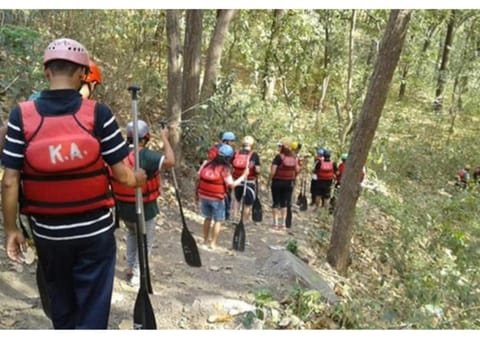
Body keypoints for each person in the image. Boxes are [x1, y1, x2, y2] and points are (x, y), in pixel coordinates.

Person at [1, 38, 147, 329]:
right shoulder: (99, 114)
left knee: (61, 302)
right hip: (95, 232)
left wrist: (11, 229)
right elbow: (124, 175)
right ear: (83, 74)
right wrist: (138, 178)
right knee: (92, 305)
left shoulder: (21, 116)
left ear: (46, 72)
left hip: (49, 234)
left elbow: (9, 181)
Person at [111, 119, 175, 287]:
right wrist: (165, 139)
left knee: (132, 235)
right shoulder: (146, 156)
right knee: (144, 242)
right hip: (145, 209)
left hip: (124, 209)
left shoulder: (117, 155)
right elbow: (170, 161)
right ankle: (138, 276)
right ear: (145, 138)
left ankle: (130, 268)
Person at [196, 144, 248, 250]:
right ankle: (213, 243)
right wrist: (243, 176)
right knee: (218, 220)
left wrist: (196, 194)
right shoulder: (225, 169)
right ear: (228, 157)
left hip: (204, 195)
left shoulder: (206, 164)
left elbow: (198, 178)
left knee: (207, 218)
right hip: (217, 198)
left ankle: (205, 240)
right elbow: (231, 184)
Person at [268, 141, 300, 230]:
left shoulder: (278, 157)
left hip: (277, 182)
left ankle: (275, 224)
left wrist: (269, 180)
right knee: (284, 203)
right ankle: (283, 225)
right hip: (289, 183)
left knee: (276, 203)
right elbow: (297, 169)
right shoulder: (294, 158)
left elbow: (273, 171)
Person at [231, 135, 261, 222]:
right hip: (249, 181)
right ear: (251, 144)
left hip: (237, 180)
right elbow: (257, 169)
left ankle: (234, 218)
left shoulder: (236, 153)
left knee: (237, 200)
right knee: (248, 203)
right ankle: (243, 221)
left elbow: (231, 165)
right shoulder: (254, 155)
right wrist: (257, 174)